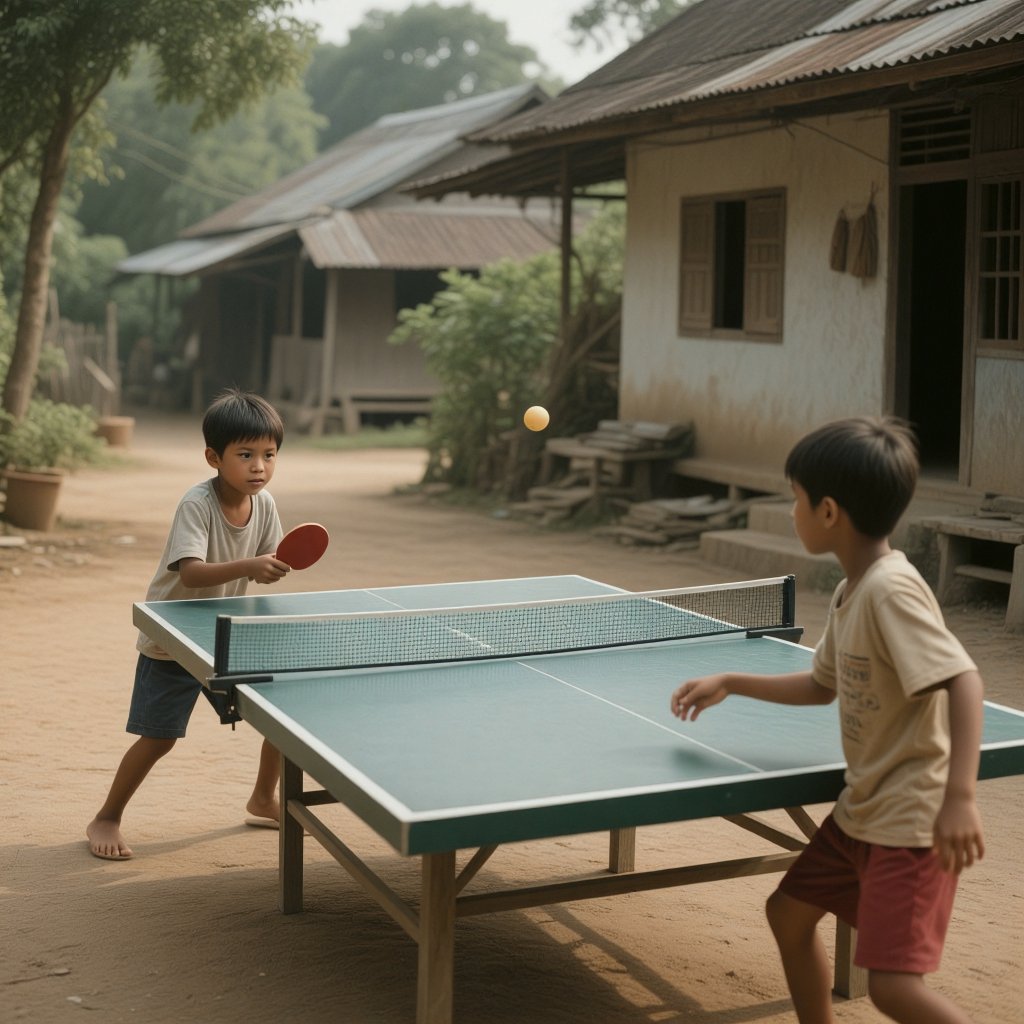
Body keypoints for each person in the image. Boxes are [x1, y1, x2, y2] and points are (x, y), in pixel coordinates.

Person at [670, 416, 985, 1024]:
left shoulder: (892, 590)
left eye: (796, 500)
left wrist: (960, 797)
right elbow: (822, 686)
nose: (792, 512)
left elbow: (963, 679)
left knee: (894, 990)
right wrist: (731, 682)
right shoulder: (852, 590)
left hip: (909, 823)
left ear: (830, 511)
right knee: (787, 915)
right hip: (863, 812)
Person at [87, 388, 292, 860]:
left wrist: (274, 564)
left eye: (269, 454)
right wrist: (250, 566)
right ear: (213, 457)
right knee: (159, 738)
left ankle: (263, 798)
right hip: (173, 636)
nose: (259, 466)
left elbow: (271, 557)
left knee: (282, 718)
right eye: (245, 455)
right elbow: (193, 571)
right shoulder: (196, 504)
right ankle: (107, 816)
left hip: (226, 631)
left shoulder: (266, 506)